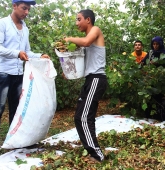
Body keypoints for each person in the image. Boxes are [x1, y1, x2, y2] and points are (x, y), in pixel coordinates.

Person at [0, 0, 50, 160]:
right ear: (14, 6)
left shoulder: (25, 29)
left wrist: (39, 55)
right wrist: (16, 53)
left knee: (17, 110)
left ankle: (15, 140)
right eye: (24, 8)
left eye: (28, 9)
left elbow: (26, 51)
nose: (26, 12)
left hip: (17, 74)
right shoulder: (1, 24)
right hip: (2, 73)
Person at [63, 9, 108, 163]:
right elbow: (80, 63)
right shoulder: (86, 40)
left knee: (84, 117)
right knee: (79, 117)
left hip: (97, 78)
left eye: (79, 19)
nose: (77, 23)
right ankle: (92, 151)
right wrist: (68, 72)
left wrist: (68, 39)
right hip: (90, 79)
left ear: (88, 20)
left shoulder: (95, 31)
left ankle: (97, 155)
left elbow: (86, 41)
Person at [142, 36, 165, 121]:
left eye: (157, 44)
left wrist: (157, 63)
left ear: (160, 44)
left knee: (160, 98)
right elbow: (144, 62)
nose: (155, 46)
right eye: (154, 44)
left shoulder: (164, 53)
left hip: (161, 79)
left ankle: (161, 117)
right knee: (150, 97)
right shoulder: (150, 53)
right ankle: (150, 117)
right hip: (150, 78)